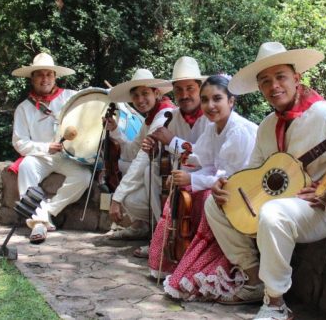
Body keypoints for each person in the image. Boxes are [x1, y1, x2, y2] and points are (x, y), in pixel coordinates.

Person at [204, 42, 326, 319]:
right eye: (265, 81)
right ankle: (253, 279)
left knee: (273, 213)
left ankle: (275, 303)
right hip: (287, 205)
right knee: (215, 204)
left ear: (296, 79)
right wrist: (227, 185)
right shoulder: (268, 126)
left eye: (281, 77)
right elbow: (252, 170)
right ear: (260, 88)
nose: (274, 86)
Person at [147, 74, 258, 300]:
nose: (210, 105)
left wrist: (192, 179)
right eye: (206, 100)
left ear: (231, 101)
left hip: (244, 191)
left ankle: (228, 268)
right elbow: (205, 161)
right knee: (183, 193)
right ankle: (171, 257)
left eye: (217, 99)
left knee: (207, 196)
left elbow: (229, 177)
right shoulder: (213, 127)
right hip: (227, 184)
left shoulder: (238, 130)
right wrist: (184, 174)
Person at [124, 56, 211, 256]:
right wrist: (155, 149)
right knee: (152, 170)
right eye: (179, 90)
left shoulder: (211, 115)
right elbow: (163, 154)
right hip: (180, 177)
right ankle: (164, 236)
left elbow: (208, 157)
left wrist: (172, 142)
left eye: (190, 88)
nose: (184, 95)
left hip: (206, 177)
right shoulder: (172, 117)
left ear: (200, 88)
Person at [10, 52, 92, 244]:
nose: (45, 79)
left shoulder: (71, 97)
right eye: (40, 74)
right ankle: (38, 222)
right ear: (32, 78)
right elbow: (19, 142)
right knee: (26, 168)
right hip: (41, 156)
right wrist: (46, 147)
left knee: (84, 177)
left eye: (49, 74)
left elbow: (89, 120)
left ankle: (47, 211)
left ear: (55, 77)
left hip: (68, 156)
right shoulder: (23, 108)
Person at [106, 68, 174, 240]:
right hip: (162, 175)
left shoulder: (164, 114)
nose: (140, 100)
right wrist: (115, 130)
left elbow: (142, 158)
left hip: (172, 177)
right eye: (135, 96)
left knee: (146, 172)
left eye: (145, 93)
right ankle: (142, 225)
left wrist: (117, 198)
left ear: (156, 93)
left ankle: (162, 238)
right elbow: (131, 152)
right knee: (123, 165)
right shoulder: (149, 119)